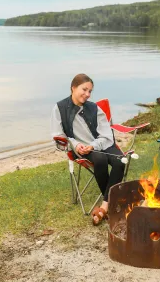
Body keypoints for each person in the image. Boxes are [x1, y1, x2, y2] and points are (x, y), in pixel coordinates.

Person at [51, 73, 125, 225]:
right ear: (73, 88)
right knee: (100, 159)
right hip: (80, 149)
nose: (87, 94)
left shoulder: (94, 108)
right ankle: (111, 203)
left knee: (120, 160)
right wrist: (75, 144)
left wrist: (94, 145)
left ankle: (105, 205)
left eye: (90, 91)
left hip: (102, 143)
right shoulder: (59, 108)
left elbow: (106, 134)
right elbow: (59, 136)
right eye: (84, 89)